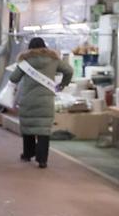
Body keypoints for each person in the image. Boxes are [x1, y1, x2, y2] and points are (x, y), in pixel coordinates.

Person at [9, 37, 73, 168]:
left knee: (28, 127)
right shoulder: (53, 60)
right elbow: (69, 70)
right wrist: (62, 84)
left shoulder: (25, 61)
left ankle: (28, 154)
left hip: (28, 99)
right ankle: (42, 160)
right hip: (46, 101)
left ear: (30, 48)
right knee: (44, 130)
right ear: (45, 47)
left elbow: (13, 78)